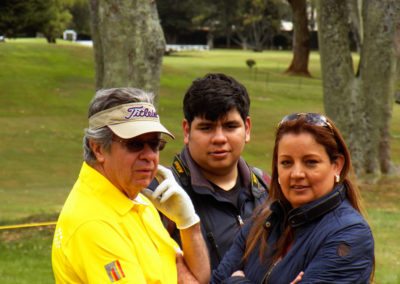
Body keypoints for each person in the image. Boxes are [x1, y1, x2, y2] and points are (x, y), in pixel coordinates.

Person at [51, 88, 210, 283]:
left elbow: (199, 277)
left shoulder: (135, 198)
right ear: (99, 148)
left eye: (155, 144)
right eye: (135, 144)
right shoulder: (95, 223)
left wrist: (188, 223)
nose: (149, 156)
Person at [212, 113, 375, 283]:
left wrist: (235, 281)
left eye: (311, 162)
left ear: (337, 166)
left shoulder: (349, 234)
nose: (296, 174)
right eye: (286, 163)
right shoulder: (262, 221)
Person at [150, 73, 269, 270]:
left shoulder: (268, 187)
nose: (219, 138)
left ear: (247, 129)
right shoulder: (157, 196)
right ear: (186, 131)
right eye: (206, 128)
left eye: (230, 126)